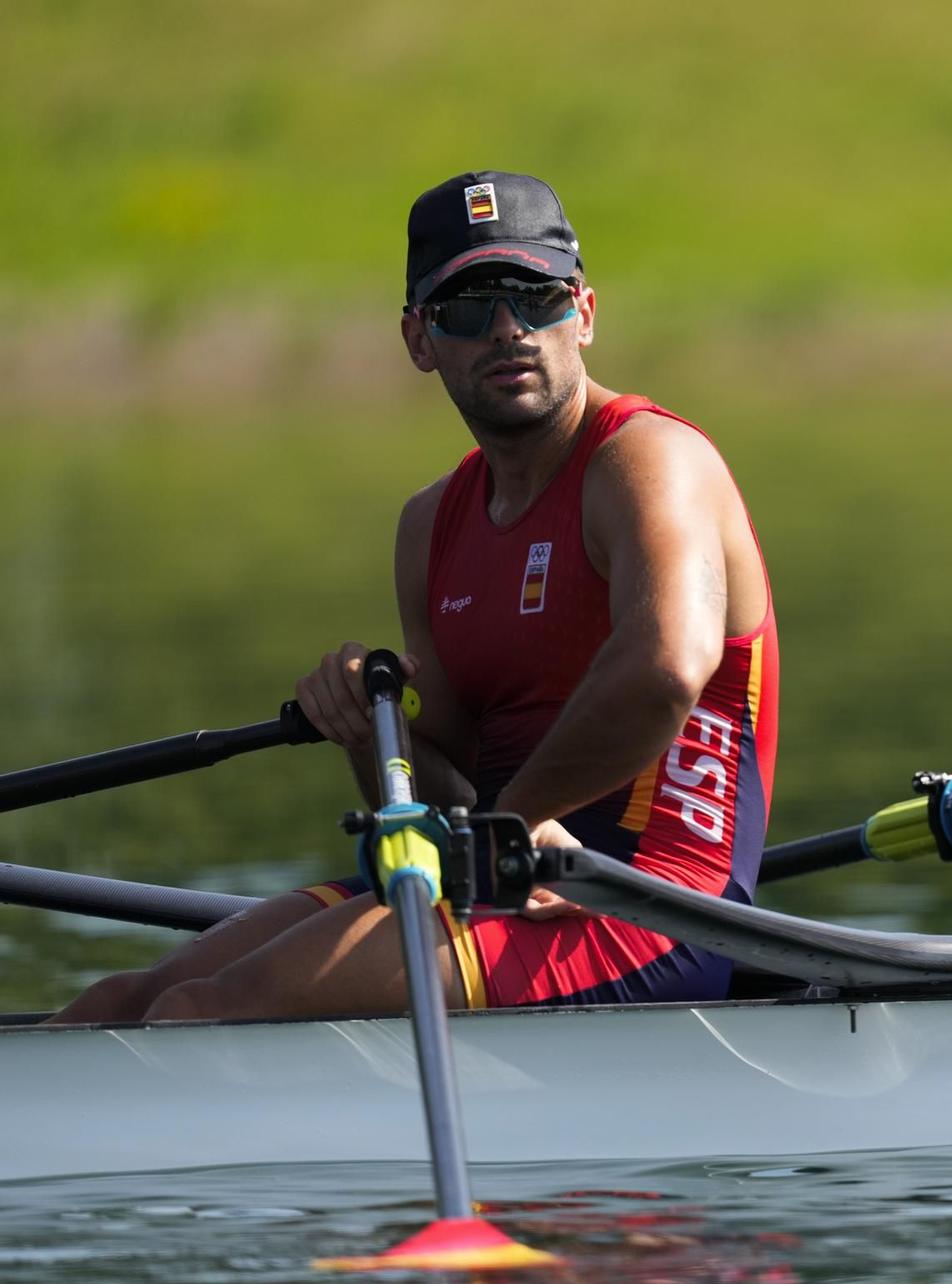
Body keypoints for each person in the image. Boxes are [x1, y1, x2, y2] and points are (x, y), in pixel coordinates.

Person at [52, 170, 779, 1023]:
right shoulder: (430, 525)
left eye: (534, 298)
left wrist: (506, 829)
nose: (509, 329)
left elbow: (663, 669)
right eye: (469, 307)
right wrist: (370, 727)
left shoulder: (650, 461)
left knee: (202, 1012)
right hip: (499, 877)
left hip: (653, 906)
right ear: (419, 338)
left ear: (582, 313)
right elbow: (441, 800)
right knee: (119, 1003)